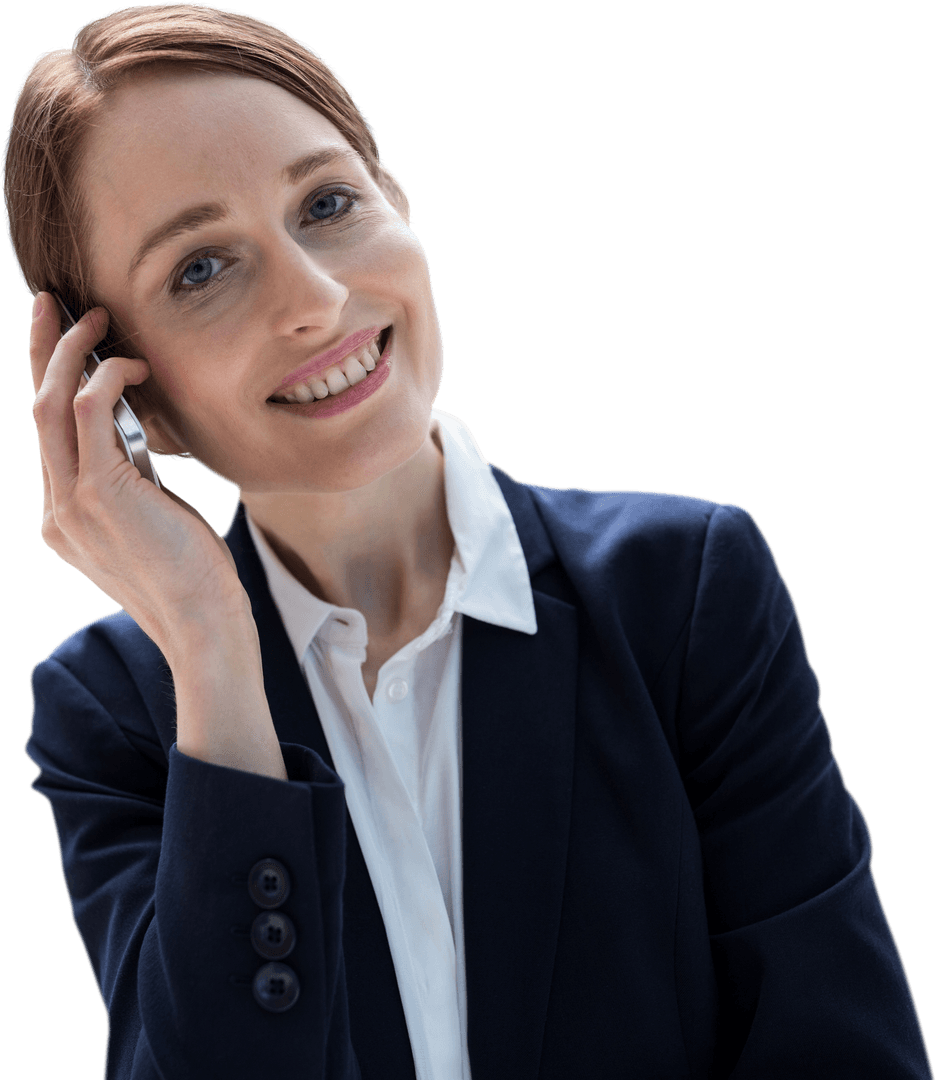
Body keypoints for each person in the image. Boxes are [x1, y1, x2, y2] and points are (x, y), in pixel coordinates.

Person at [8, 4, 933, 1079]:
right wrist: (215, 653)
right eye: (202, 271)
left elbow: (844, 1051)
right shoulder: (120, 712)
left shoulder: (684, 592)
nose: (317, 299)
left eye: (328, 203)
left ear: (399, 205)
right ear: (119, 394)